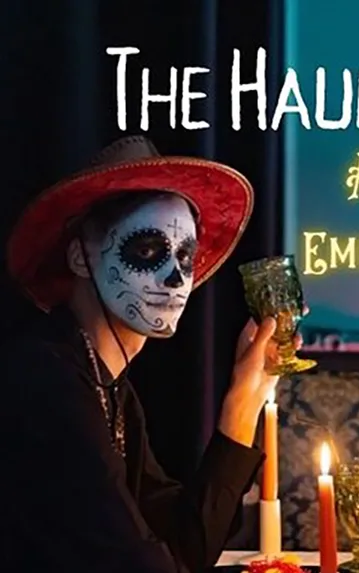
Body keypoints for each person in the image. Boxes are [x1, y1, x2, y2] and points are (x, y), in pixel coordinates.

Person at [1, 136, 294, 572]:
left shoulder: (109, 386)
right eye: (146, 251)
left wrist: (246, 396)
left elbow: (188, 545)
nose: (177, 279)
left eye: (185, 256)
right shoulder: (48, 380)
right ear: (81, 257)